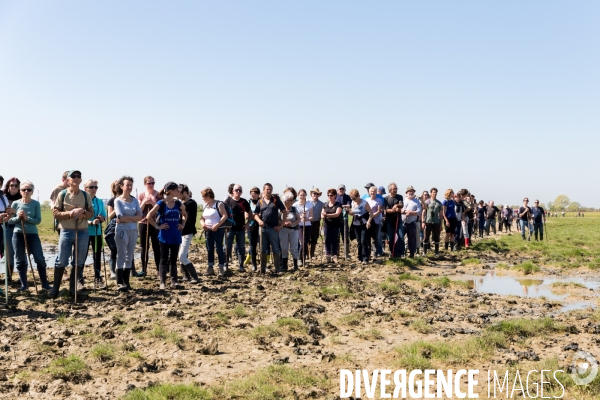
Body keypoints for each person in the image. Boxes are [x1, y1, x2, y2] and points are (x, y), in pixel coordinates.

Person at [50, 170, 94, 298]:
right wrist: (70, 213)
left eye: (78, 176)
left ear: (80, 180)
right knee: (62, 260)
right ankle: (55, 289)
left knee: (78, 261)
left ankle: (73, 289)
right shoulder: (62, 195)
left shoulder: (86, 196)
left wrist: (83, 213)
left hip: (82, 232)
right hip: (66, 231)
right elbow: (56, 213)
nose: (76, 178)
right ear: (68, 180)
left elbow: (91, 213)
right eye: (73, 176)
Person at [8, 181, 52, 291]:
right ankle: (24, 285)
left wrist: (27, 218)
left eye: (29, 190)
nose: (26, 191)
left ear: (32, 191)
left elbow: (38, 220)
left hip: (32, 234)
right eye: (23, 189)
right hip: (18, 234)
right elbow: (10, 220)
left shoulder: (36, 204)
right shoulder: (15, 204)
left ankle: (45, 284)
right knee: (20, 260)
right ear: (20, 191)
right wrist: (18, 217)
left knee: (39, 259)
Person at [148, 182, 187, 289]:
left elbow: (185, 215)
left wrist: (182, 224)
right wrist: (157, 226)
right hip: (164, 235)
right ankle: (162, 282)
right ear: (170, 191)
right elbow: (149, 216)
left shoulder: (178, 203)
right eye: (176, 190)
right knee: (164, 258)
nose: (178, 192)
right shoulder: (161, 203)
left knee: (173, 258)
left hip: (176, 234)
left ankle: (174, 281)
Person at [114, 176, 143, 291]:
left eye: (131, 185)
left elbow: (140, 216)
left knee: (129, 256)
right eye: (127, 185)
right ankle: (119, 282)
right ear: (122, 186)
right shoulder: (118, 200)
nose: (129, 187)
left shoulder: (135, 200)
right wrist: (133, 218)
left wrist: (130, 218)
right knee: (121, 255)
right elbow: (120, 217)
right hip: (121, 230)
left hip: (133, 231)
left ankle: (127, 282)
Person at [253, 183, 286, 273]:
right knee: (263, 249)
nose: (269, 191)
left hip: (273, 229)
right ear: (263, 190)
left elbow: (284, 211)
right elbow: (255, 215)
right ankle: (262, 269)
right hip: (263, 229)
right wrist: (259, 221)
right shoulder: (260, 202)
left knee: (275, 248)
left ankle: (277, 269)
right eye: (267, 189)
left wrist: (281, 225)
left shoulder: (276, 200)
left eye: (270, 189)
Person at [84, 179, 107, 289]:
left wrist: (101, 218)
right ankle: (79, 279)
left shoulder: (99, 201)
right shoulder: (82, 201)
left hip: (97, 232)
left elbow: (104, 216)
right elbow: (80, 218)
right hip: (84, 232)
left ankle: (98, 278)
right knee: (82, 256)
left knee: (97, 256)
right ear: (86, 189)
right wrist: (90, 222)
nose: (94, 189)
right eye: (91, 187)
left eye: (95, 187)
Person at [224, 184, 252, 273]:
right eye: (236, 190)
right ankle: (225, 265)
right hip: (229, 229)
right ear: (233, 191)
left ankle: (241, 265)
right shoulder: (227, 201)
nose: (238, 192)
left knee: (241, 247)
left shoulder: (244, 202)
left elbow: (250, 213)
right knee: (227, 247)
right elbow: (222, 213)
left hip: (241, 229)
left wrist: (248, 223)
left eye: (240, 190)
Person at [201, 187, 228, 276]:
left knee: (219, 249)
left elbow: (224, 216)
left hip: (218, 230)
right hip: (208, 230)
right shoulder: (205, 205)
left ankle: (221, 268)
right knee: (209, 249)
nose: (202, 198)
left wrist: (217, 225)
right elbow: (202, 218)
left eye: (203, 196)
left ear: (208, 195)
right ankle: (210, 268)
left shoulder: (218, 204)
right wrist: (203, 224)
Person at [138, 176, 162, 277]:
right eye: (149, 183)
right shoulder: (141, 195)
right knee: (144, 247)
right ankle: (144, 269)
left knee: (156, 247)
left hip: (155, 223)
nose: (151, 185)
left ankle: (159, 269)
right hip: (143, 223)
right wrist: (144, 202)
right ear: (145, 184)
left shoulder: (159, 195)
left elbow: (160, 210)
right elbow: (139, 210)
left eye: (153, 183)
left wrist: (152, 203)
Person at [177, 184, 200, 283]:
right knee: (181, 255)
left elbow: (180, 207)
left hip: (187, 232)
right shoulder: (182, 203)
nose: (177, 195)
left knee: (182, 256)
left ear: (185, 193)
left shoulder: (191, 203)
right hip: (180, 232)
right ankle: (186, 276)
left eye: (179, 193)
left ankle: (195, 276)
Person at [348, 189, 374, 264]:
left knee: (364, 241)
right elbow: (353, 212)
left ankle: (365, 258)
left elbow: (371, 213)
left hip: (364, 224)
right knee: (359, 241)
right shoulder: (353, 203)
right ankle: (360, 257)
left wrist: (369, 221)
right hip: (356, 224)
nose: (353, 199)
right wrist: (348, 212)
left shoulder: (364, 203)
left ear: (357, 196)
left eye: (354, 198)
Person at [3, 177, 21, 281]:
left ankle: (21, 277)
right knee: (9, 252)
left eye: (16, 185)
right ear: (8, 186)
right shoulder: (3, 197)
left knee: (20, 252)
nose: (13, 187)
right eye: (11, 185)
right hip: (7, 227)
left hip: (19, 227)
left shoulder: (22, 198)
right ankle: (8, 276)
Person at [362, 183, 385, 257]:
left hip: (376, 221)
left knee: (375, 238)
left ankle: (374, 252)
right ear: (369, 192)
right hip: (367, 222)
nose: (372, 193)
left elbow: (379, 211)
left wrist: (371, 217)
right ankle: (368, 252)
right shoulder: (366, 200)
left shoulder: (379, 200)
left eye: (374, 191)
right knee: (367, 237)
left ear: (376, 192)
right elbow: (365, 210)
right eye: (371, 191)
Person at [280, 189, 300, 272]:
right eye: (290, 200)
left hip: (293, 230)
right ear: (285, 200)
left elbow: (299, 219)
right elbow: (277, 220)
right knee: (284, 248)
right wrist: (283, 223)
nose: (292, 201)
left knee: (294, 248)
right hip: (283, 230)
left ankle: (295, 265)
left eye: (292, 200)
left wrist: (292, 223)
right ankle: (284, 265)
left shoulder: (294, 209)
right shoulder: (280, 209)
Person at [104, 180, 120, 280]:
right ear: (113, 188)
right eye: (116, 185)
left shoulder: (129, 199)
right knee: (114, 249)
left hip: (126, 225)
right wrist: (117, 206)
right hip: (114, 226)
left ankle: (132, 270)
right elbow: (110, 216)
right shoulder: (112, 201)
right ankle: (112, 271)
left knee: (127, 249)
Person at [322, 188, 342, 263]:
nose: (329, 197)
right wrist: (323, 215)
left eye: (331, 195)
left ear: (335, 196)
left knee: (334, 240)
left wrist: (326, 214)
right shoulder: (325, 204)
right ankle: (328, 255)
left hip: (335, 225)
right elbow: (322, 213)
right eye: (328, 195)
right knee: (327, 240)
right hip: (326, 224)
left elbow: (337, 214)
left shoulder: (338, 204)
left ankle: (334, 255)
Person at [384, 183, 404, 258]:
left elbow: (401, 205)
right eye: (393, 189)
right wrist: (394, 210)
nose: (395, 190)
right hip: (389, 220)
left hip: (398, 219)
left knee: (401, 236)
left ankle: (401, 253)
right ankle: (393, 253)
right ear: (390, 190)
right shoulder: (386, 198)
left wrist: (397, 206)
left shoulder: (400, 197)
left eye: (396, 188)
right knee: (391, 237)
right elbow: (386, 209)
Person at [294, 189, 313, 266]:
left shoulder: (309, 205)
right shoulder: (295, 205)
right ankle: (299, 259)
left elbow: (312, 216)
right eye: (301, 195)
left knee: (306, 243)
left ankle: (304, 259)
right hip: (299, 225)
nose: (302, 196)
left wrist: (307, 218)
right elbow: (294, 216)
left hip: (307, 225)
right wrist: (300, 218)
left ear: (306, 195)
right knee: (303, 242)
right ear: (298, 195)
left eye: (303, 195)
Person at [244, 187, 261, 272]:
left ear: (258, 194)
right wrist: (254, 215)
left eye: (254, 194)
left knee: (262, 245)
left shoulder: (262, 202)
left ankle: (263, 263)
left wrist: (255, 216)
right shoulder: (248, 202)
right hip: (251, 226)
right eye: (251, 194)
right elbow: (246, 215)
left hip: (261, 226)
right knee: (252, 245)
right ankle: (254, 265)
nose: (252, 196)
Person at [422, 188, 442, 256]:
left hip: (436, 222)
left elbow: (441, 214)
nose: (434, 194)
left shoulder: (439, 203)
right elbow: (424, 212)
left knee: (436, 237)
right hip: (428, 222)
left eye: (435, 192)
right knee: (426, 237)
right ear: (431, 193)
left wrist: (441, 224)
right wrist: (423, 221)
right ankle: (424, 252)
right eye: (433, 192)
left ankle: (436, 252)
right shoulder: (427, 202)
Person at [402, 186, 422, 258]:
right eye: (409, 191)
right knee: (401, 238)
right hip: (403, 223)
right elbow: (400, 210)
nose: (411, 192)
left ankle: (411, 254)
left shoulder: (417, 201)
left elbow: (419, 212)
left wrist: (411, 212)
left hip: (412, 223)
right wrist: (405, 212)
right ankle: (402, 253)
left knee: (412, 239)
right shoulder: (403, 201)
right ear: (406, 193)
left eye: (412, 191)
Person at [336, 185, 352, 258]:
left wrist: (340, 206)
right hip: (336, 219)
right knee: (336, 237)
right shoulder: (335, 196)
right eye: (340, 189)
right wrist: (343, 206)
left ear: (345, 190)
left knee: (345, 236)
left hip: (344, 219)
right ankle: (336, 253)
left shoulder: (347, 197)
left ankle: (346, 253)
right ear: (337, 190)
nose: (341, 190)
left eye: (343, 189)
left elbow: (348, 205)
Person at [308, 188, 324, 260]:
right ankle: (306, 254)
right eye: (314, 193)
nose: (315, 195)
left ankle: (312, 254)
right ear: (311, 194)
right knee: (307, 239)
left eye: (317, 194)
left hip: (316, 223)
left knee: (314, 239)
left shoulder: (321, 204)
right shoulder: (307, 202)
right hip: (307, 222)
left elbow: (322, 212)